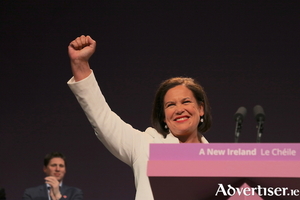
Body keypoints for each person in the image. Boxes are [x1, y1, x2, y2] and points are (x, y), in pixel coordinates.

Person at [67, 35, 212, 200]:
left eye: (186, 102)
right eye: (170, 105)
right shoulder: (146, 146)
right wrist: (80, 64)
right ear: (164, 117)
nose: (179, 109)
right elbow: (103, 119)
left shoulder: (220, 163)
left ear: (200, 109)